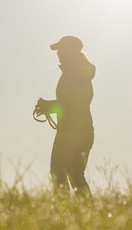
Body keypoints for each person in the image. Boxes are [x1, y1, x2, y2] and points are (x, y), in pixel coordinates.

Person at [38, 35, 96, 195]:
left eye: (60, 49)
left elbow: (69, 105)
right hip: (86, 132)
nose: (58, 53)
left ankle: (62, 214)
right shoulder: (82, 73)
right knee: (77, 176)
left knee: (58, 174)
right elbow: (75, 103)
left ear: (69, 51)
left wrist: (48, 106)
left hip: (69, 133)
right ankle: (88, 213)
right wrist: (50, 106)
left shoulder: (72, 74)